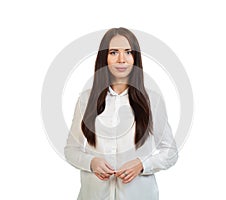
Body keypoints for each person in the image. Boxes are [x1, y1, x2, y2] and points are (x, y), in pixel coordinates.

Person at [64, 27, 178, 200]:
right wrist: (91, 162)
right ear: (104, 58)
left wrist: (142, 164)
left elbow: (170, 152)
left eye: (128, 52)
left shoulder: (152, 100)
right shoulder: (86, 99)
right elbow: (71, 150)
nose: (121, 59)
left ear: (135, 58)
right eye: (114, 52)